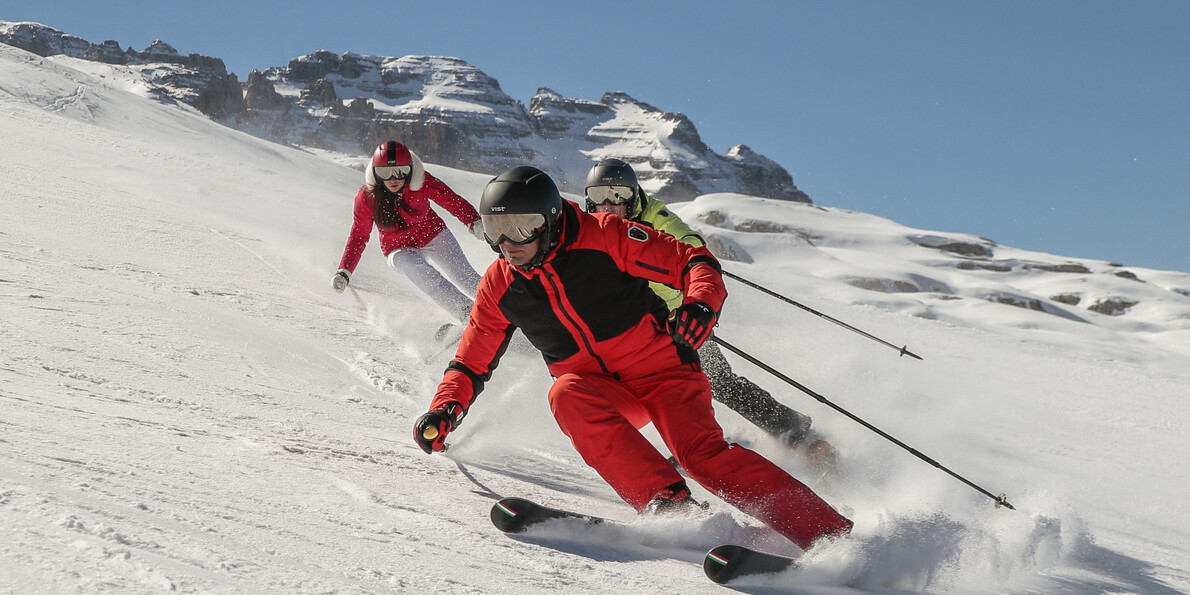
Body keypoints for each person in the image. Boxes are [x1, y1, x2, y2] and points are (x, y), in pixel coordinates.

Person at [413, 166, 852, 551]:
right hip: (601, 390)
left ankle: (828, 534)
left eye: (523, 226)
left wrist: (700, 305)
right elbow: (471, 359)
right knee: (565, 394)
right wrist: (444, 409)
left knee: (701, 456)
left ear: (548, 220)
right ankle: (667, 502)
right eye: (495, 228)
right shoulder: (500, 283)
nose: (509, 242)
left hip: (664, 374)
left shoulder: (605, 235)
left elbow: (692, 261)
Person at [583, 158, 819, 449]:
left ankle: (795, 432)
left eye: (618, 196)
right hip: (631, 322)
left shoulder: (655, 217)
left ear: (634, 197)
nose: (608, 205)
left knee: (717, 382)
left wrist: (696, 300)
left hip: (678, 318)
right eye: (598, 197)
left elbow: (690, 243)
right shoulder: (586, 229)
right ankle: (676, 447)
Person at [332, 140, 485, 323]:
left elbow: (450, 199)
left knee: (466, 277)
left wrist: (473, 221)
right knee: (416, 268)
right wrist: (344, 271)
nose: (393, 179)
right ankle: (465, 311)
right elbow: (358, 236)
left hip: (433, 234)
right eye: (385, 173)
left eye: (400, 171)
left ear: (410, 170)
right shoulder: (367, 198)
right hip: (398, 249)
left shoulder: (421, 182)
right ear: (375, 174)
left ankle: (503, 308)